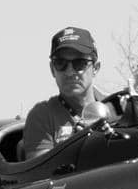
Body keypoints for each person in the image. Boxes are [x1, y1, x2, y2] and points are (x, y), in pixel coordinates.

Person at [22, 26, 106, 159]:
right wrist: (75, 144)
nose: (69, 72)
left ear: (95, 68)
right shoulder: (42, 116)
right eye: (61, 63)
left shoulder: (116, 107)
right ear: (52, 69)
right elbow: (40, 173)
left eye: (79, 63)